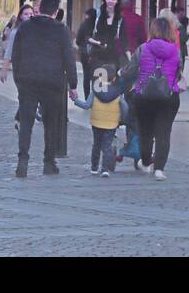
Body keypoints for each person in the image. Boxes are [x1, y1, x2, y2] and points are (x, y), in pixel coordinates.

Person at [9, 0, 77, 178]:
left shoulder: (26, 26)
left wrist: (18, 78)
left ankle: (22, 161)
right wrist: (73, 84)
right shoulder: (61, 29)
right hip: (52, 82)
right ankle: (49, 162)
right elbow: (68, 58)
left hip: (27, 80)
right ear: (55, 12)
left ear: (40, 8)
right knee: (50, 123)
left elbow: (16, 55)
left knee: (26, 123)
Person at [132, 15, 181, 180]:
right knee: (164, 133)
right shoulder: (175, 50)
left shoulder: (143, 48)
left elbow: (132, 68)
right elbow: (178, 73)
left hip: (144, 95)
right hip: (169, 96)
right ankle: (159, 169)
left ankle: (146, 162)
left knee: (145, 132)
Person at [71, 65, 125, 176]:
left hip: (97, 123)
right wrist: (121, 119)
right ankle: (105, 169)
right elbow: (125, 107)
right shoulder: (117, 93)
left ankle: (94, 167)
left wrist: (75, 100)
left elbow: (86, 105)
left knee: (96, 145)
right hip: (111, 123)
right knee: (107, 146)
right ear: (114, 78)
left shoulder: (95, 91)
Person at [0, 2, 36, 84]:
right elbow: (9, 50)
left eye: (31, 13)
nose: (29, 15)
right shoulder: (16, 32)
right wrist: (4, 69)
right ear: (21, 16)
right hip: (21, 68)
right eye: (26, 14)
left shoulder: (37, 30)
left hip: (35, 68)